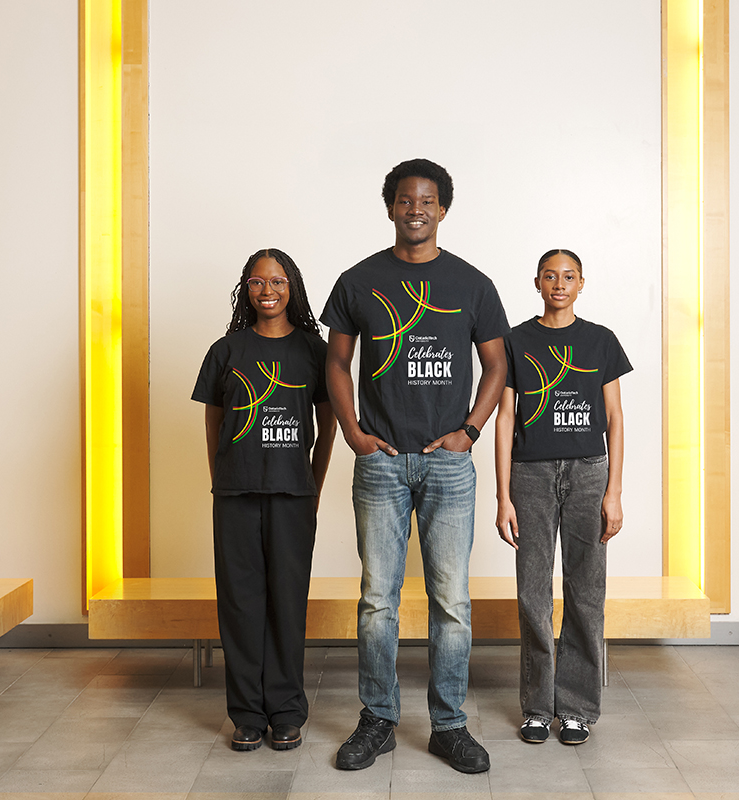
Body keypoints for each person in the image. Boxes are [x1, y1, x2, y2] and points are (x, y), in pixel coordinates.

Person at [320, 159, 508, 773]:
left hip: (448, 467)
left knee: (451, 601)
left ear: (443, 209)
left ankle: (449, 725)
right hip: (381, 465)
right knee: (378, 600)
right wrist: (354, 432)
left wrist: (469, 432)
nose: (416, 209)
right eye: (405, 200)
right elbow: (335, 363)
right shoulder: (358, 281)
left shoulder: (472, 284)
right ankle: (377, 720)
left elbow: (498, 365)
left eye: (427, 200)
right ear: (390, 207)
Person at [191, 248, 336, 752]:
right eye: (257, 282)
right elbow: (213, 423)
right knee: (240, 605)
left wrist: (314, 486)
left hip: (294, 495)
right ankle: (247, 713)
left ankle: (287, 710)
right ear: (245, 289)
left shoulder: (315, 351)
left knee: (287, 605)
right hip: (235, 494)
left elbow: (327, 427)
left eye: (276, 281)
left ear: (292, 286)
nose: (267, 290)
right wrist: (221, 480)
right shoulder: (225, 351)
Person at [494, 249, 631, 746]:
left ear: (581, 283)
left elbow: (614, 418)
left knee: (586, 593)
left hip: (589, 474)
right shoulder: (515, 341)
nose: (559, 284)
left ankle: (576, 708)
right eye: (550, 276)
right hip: (530, 475)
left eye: (568, 276)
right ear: (537, 282)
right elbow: (505, 417)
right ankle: (537, 707)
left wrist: (614, 491)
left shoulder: (601, 341)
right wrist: (503, 495)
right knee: (533, 593)